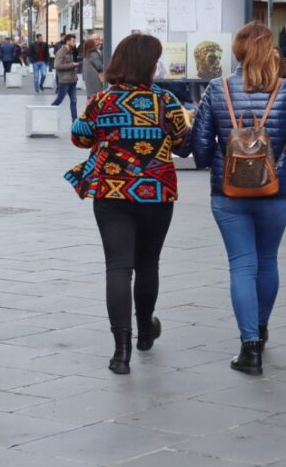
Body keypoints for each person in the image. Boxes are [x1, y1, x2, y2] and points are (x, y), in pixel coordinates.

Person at [191, 22, 286, 376]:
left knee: (241, 264)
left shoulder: (217, 89)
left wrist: (219, 156)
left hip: (227, 192)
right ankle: (260, 330)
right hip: (276, 190)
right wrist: (285, 160)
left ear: (238, 51)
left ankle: (249, 348)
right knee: (268, 259)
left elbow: (200, 149)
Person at [66, 33, 192, 375]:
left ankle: (121, 351)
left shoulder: (101, 101)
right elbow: (183, 144)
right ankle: (145, 331)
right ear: (149, 66)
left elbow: (79, 137)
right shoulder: (165, 101)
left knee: (117, 267)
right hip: (156, 194)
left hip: (111, 195)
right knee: (148, 263)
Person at [51, 34, 79, 119]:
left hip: (72, 80)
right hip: (64, 81)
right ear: (68, 41)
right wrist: (72, 65)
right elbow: (57, 66)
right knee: (59, 100)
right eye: (73, 41)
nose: (75, 43)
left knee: (74, 101)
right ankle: (48, 112)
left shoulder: (71, 51)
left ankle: (75, 121)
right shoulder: (61, 52)